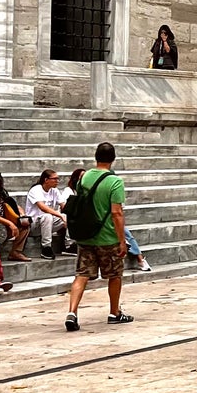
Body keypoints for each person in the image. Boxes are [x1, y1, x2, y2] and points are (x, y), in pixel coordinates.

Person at [65, 142, 131, 331]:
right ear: (113, 158)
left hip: (86, 235)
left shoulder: (84, 178)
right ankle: (114, 312)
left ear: (96, 156)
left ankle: (72, 312)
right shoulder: (115, 182)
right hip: (107, 236)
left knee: (81, 274)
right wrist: (121, 241)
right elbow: (116, 213)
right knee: (115, 275)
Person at [26, 169, 70, 257]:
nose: (57, 181)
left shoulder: (55, 191)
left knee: (68, 215)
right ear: (46, 180)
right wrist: (60, 215)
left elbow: (63, 206)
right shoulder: (35, 190)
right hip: (33, 225)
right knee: (47, 216)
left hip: (48, 224)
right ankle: (46, 248)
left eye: (58, 179)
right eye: (55, 179)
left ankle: (69, 246)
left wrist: (69, 215)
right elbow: (43, 208)